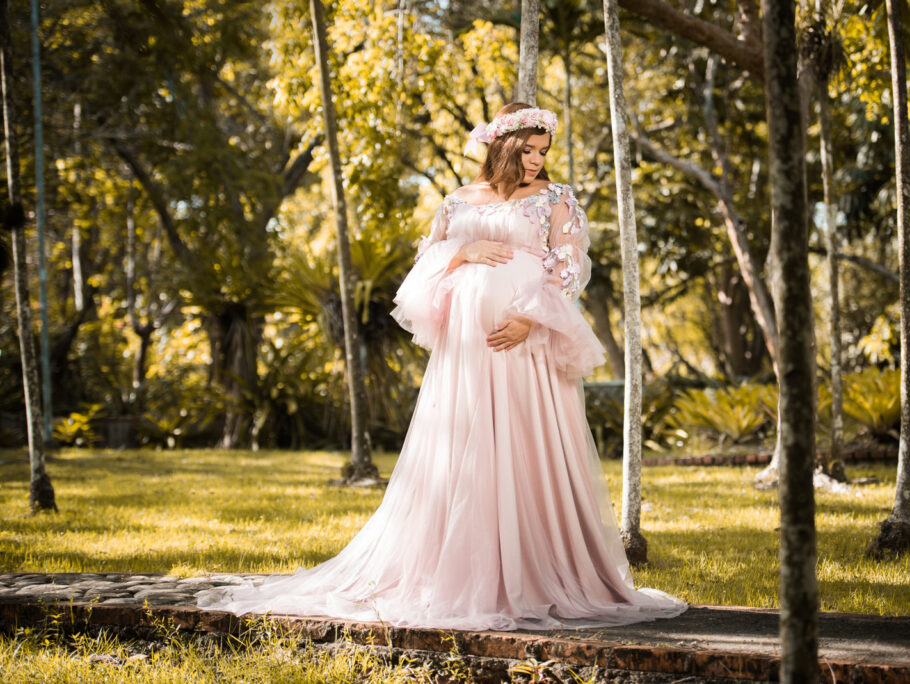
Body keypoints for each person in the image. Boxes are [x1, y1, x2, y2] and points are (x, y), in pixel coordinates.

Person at [197, 103, 687, 631]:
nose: (535, 160)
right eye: (527, 150)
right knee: (468, 452)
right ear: (502, 145)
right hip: (467, 358)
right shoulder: (457, 202)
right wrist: (462, 249)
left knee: (527, 447)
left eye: (542, 151)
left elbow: (569, 265)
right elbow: (424, 267)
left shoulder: (555, 198)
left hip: (526, 348)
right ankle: (460, 572)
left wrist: (528, 317)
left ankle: (539, 570)